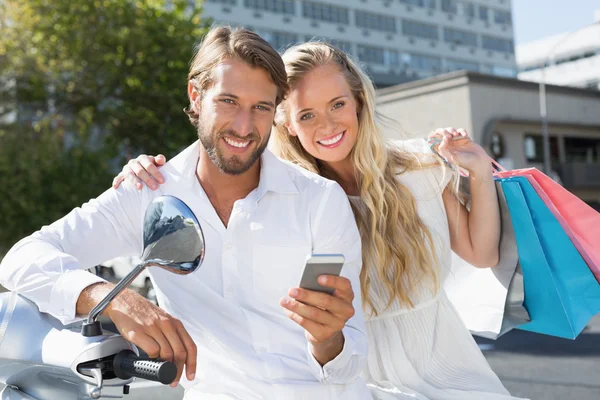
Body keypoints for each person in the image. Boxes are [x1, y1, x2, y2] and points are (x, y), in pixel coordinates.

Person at [116, 40, 528, 400]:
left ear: (359, 102)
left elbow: (482, 252)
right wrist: (146, 175)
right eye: (307, 115)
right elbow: (212, 170)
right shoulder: (291, 200)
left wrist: (477, 171)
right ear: (287, 124)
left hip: (452, 369)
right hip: (353, 380)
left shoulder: (420, 168)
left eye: (337, 105)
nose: (327, 125)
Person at [0, 28, 373, 400]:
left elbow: (350, 364)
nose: (244, 126)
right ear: (196, 96)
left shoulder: (321, 201)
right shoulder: (147, 192)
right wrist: (113, 299)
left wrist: (329, 339)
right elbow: (22, 259)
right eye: (228, 101)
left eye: (261, 107)